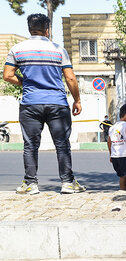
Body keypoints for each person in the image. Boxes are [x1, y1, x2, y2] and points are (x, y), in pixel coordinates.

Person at [3, 13, 86, 195]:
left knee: (30, 145)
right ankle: (67, 183)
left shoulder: (17, 49)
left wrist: (26, 82)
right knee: (62, 144)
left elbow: (7, 75)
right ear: (47, 30)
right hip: (57, 104)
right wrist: (77, 100)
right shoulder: (59, 50)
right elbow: (70, 78)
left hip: (30, 104)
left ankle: (31, 184)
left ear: (29, 30)